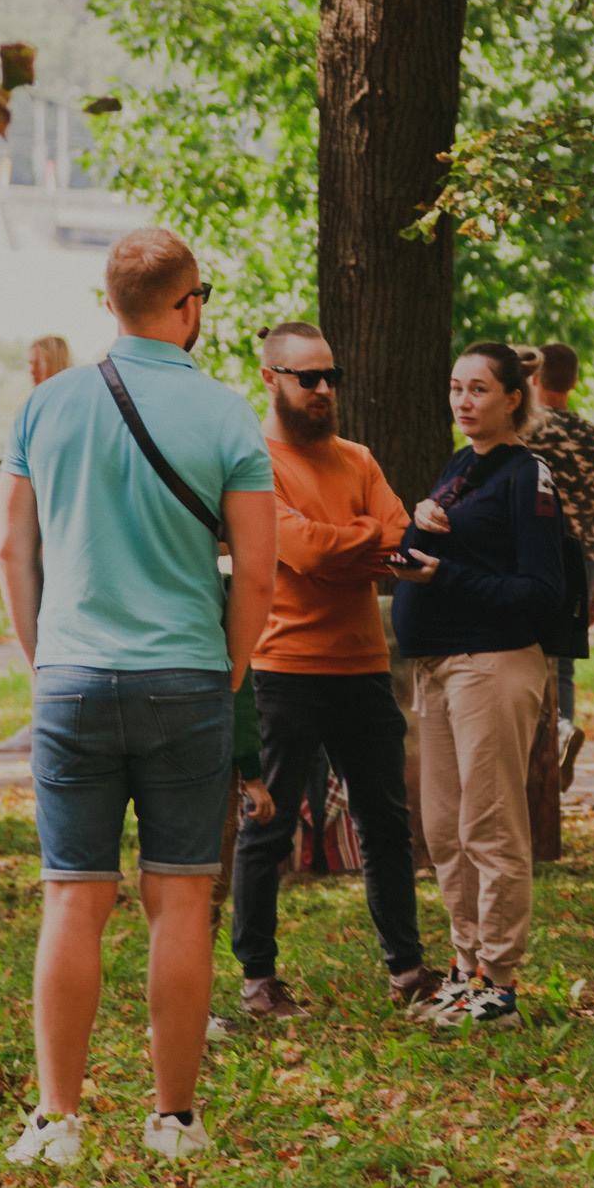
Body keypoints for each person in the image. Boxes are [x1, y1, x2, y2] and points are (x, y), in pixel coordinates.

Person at [0, 227, 279, 1167]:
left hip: (72, 677)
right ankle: (173, 1116)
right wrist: (228, 669)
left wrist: (42, 657)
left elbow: (10, 550)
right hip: (186, 676)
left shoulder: (49, 405)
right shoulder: (230, 415)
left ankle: (57, 1118)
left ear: (106, 302)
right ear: (189, 306)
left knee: (72, 898)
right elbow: (260, 574)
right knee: (181, 899)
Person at [223, 320, 441, 1023]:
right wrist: (369, 544)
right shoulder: (252, 460)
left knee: (386, 823)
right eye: (307, 377)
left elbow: (400, 538)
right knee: (268, 825)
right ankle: (259, 978)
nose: (323, 390)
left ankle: (406, 968)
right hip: (282, 668)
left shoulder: (360, 458)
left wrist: (360, 544)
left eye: (330, 377)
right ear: (270, 378)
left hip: (362, 667)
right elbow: (309, 551)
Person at [389, 342, 568, 1030]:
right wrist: (415, 532)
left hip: (491, 663)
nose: (464, 401)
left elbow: (541, 590)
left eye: (480, 390)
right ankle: (465, 967)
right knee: (442, 825)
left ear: (513, 398)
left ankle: (500, 977)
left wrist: (445, 577)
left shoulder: (529, 475)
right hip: (436, 665)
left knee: (489, 824)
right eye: (456, 387)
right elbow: (439, 551)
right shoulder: (462, 466)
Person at [520, 340, 594, 782]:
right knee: (562, 657)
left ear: (534, 378)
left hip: (531, 552)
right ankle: (562, 728)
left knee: (524, 652)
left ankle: (535, 739)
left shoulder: (522, 432)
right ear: (574, 382)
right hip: (581, 559)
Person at [0, 338, 78, 756]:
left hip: (53, 549)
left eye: (36, 363)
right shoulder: (45, 411)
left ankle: (44, 719)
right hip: (47, 546)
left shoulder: (51, 413)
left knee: (44, 638)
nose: (30, 370)